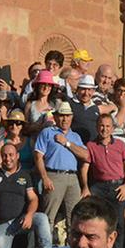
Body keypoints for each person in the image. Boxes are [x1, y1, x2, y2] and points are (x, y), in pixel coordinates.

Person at [34, 101, 89, 240]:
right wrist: (45, 177)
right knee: (48, 218)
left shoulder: (75, 136)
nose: (65, 119)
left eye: (67, 116)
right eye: (61, 116)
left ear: (71, 117)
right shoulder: (47, 132)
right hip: (54, 175)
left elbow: (86, 155)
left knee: (75, 217)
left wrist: (67, 143)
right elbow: (38, 156)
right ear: (56, 117)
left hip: (72, 177)